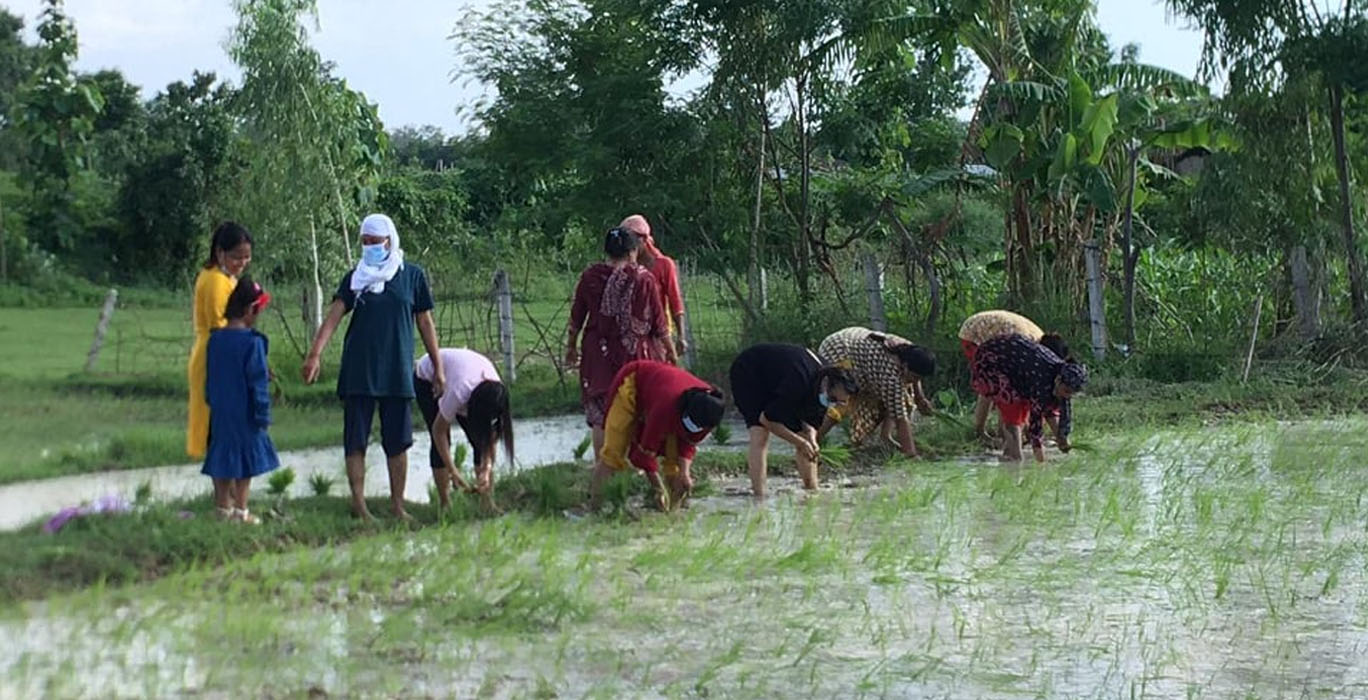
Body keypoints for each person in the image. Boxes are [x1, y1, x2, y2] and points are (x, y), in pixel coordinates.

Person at [302, 214, 443, 521]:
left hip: (396, 370)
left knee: (398, 441)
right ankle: (359, 505)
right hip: (359, 369)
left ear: (389, 241)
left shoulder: (411, 276)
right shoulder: (356, 278)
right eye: (364, 242)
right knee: (356, 438)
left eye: (374, 242)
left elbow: (425, 322)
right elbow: (334, 316)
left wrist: (438, 366)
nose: (369, 247)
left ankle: (397, 505)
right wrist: (315, 353)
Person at [566, 226, 675, 458]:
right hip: (634, 354)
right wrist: (671, 354)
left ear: (607, 251)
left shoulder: (590, 276)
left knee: (600, 413)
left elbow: (577, 317)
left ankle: (603, 466)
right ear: (634, 251)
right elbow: (660, 323)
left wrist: (571, 348)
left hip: (598, 352)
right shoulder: (644, 278)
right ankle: (634, 465)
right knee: (635, 408)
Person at [587, 360, 724, 512]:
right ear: (685, 412)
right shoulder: (664, 408)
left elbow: (687, 444)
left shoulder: (710, 412)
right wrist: (658, 488)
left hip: (663, 396)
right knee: (612, 455)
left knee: (675, 467)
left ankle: (673, 511)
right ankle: (595, 509)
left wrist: (685, 474)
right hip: (634, 382)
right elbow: (643, 453)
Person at [729, 343, 859, 499]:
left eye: (838, 402)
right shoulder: (798, 382)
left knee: (807, 440)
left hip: (781, 377)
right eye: (832, 399)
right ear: (826, 384)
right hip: (750, 371)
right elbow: (768, 419)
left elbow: (810, 423)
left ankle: (812, 491)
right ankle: (759, 496)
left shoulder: (824, 387)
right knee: (760, 433)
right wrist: (800, 443)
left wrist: (811, 439)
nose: (832, 404)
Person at [202, 277, 279, 524]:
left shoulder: (215, 340)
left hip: (221, 410)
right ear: (249, 310)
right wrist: (263, 414)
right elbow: (256, 382)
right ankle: (241, 510)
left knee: (222, 456)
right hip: (245, 412)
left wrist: (211, 400)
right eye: (257, 311)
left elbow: (210, 376)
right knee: (244, 462)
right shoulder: (252, 343)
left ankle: (222, 507)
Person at [414, 348, 514, 511]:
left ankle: (487, 504)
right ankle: (446, 505)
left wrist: (486, 469)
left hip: (461, 377)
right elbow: (438, 431)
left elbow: (490, 436)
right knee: (443, 439)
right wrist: (453, 471)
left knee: (480, 442)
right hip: (428, 377)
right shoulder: (459, 392)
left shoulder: (498, 394)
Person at [187, 222, 253, 459]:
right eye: (237, 257)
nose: (242, 263)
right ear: (220, 253)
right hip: (216, 352)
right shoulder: (215, 280)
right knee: (217, 419)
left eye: (247, 257)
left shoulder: (226, 277)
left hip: (223, 348)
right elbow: (220, 323)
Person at [816, 327, 936, 458]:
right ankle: (812, 443)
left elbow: (914, 378)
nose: (915, 381)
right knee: (842, 403)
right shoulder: (890, 374)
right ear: (905, 366)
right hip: (840, 350)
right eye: (914, 377)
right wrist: (911, 454)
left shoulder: (911, 351)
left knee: (902, 396)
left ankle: (885, 437)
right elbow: (900, 418)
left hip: (858, 350)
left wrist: (920, 398)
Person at [970, 333, 1088, 463]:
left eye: (1071, 394)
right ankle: (1014, 458)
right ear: (1058, 380)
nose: (1067, 396)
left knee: (1023, 407)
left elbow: (1051, 409)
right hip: (992, 359)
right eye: (1066, 391)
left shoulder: (1061, 375)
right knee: (1013, 412)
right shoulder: (1042, 380)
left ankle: (1008, 453)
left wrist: (1062, 439)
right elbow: (1035, 431)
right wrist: (1041, 465)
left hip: (1016, 367)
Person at [958, 310, 1071, 441]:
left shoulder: (1039, 343)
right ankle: (983, 432)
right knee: (994, 386)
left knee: (996, 385)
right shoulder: (1029, 349)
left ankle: (997, 432)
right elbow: (1008, 390)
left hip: (980, 330)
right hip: (975, 335)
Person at [619, 214, 687, 361]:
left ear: (643, 240)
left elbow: (675, 302)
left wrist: (681, 336)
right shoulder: (624, 266)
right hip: (631, 334)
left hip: (659, 335)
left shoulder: (664, 265)